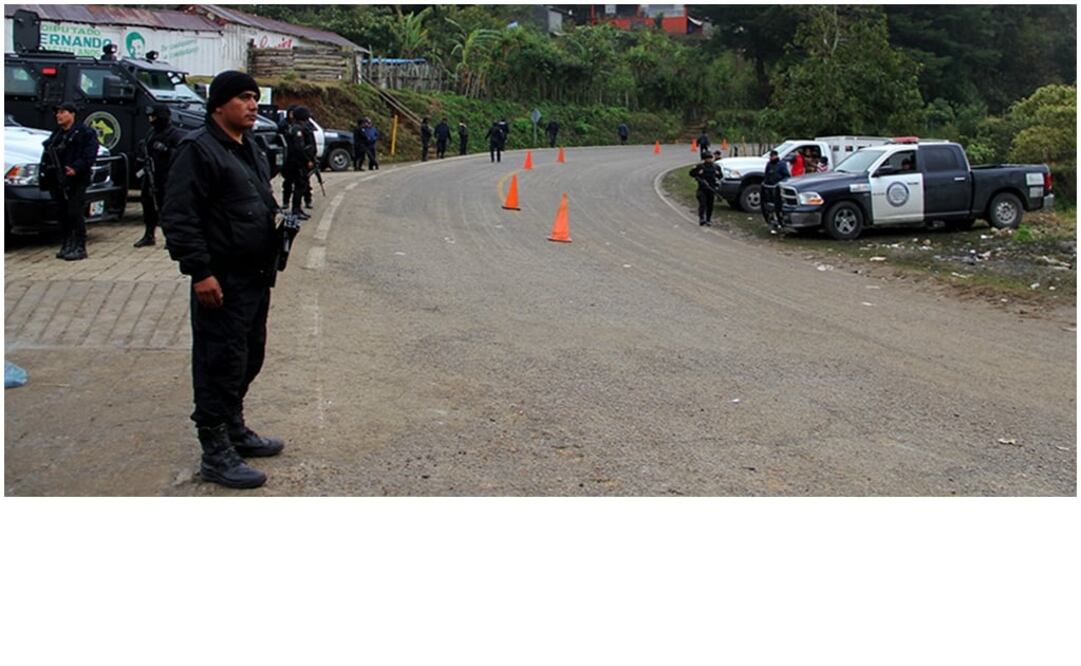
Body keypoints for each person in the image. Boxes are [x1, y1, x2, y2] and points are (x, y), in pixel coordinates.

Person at [160, 70, 286, 490]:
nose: (252, 105)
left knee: (249, 356)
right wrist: (200, 272)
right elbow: (179, 216)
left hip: (255, 276)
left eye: (254, 97)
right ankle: (214, 451)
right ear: (219, 105)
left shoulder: (250, 146)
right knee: (219, 362)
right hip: (221, 279)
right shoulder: (197, 150)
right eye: (243, 98)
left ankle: (234, 428)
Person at [41, 102, 99, 261]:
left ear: (72, 114)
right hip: (58, 179)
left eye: (62, 112)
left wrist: (76, 168)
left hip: (76, 179)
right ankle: (67, 243)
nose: (58, 116)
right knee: (63, 212)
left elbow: (90, 154)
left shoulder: (84, 132)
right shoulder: (57, 134)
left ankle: (80, 246)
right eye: (57, 112)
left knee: (75, 212)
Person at [134, 104, 185, 247]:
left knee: (166, 208)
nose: (151, 120)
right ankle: (149, 235)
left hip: (165, 177)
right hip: (151, 175)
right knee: (148, 205)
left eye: (153, 117)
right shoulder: (151, 132)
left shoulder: (173, 134)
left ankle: (171, 238)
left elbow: (181, 155)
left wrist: (166, 150)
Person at [283, 105, 315, 220]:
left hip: (296, 162)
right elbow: (299, 148)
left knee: (301, 186)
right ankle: (296, 210)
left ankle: (298, 209)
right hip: (297, 163)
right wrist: (307, 161)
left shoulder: (297, 127)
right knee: (299, 186)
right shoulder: (297, 129)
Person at [688, 152, 722, 227]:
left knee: (710, 205)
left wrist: (718, 174)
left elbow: (720, 176)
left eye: (710, 158)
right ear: (704, 159)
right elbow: (691, 174)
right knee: (703, 204)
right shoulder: (700, 166)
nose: (709, 160)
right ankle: (702, 218)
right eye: (707, 158)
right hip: (702, 189)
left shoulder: (716, 167)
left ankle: (708, 219)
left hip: (711, 189)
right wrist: (698, 173)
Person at [761, 150, 789, 229]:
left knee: (778, 205)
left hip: (777, 188)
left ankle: (780, 220)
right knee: (769, 205)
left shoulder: (782, 164)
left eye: (773, 156)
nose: (771, 158)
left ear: (776, 156)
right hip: (769, 188)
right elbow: (766, 175)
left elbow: (786, 176)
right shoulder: (769, 164)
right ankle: (772, 219)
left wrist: (781, 183)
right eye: (770, 156)